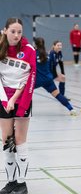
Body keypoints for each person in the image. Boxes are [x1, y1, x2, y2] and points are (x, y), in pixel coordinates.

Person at [0, 18, 36, 194]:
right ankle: (11, 181)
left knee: (20, 140)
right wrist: (5, 100)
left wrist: (15, 100)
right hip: (2, 99)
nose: (16, 35)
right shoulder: (1, 48)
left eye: (19, 32)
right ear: (5, 30)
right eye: (12, 31)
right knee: (7, 141)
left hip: (22, 98)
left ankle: (22, 183)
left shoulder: (29, 50)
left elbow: (29, 79)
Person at [33, 37, 77, 116]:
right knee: (58, 95)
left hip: (37, 80)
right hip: (48, 79)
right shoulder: (47, 54)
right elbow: (51, 67)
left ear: (35, 45)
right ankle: (71, 109)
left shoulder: (33, 53)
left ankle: (21, 111)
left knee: (23, 91)